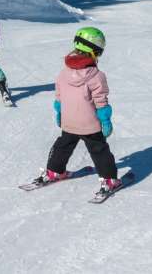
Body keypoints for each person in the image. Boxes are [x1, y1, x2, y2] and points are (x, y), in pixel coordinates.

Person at [33, 27, 121, 197]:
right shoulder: (97, 76)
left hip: (69, 121)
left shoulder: (64, 72)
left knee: (63, 145)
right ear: (94, 52)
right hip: (90, 124)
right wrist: (105, 120)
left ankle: (54, 171)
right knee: (99, 150)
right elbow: (100, 101)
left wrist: (60, 113)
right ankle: (109, 179)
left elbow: (59, 97)